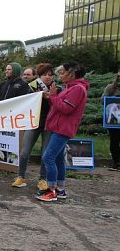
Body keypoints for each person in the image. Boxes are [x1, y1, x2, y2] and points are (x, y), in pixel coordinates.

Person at [36, 62, 90, 202]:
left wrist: (53, 97)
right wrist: (51, 97)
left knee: (48, 157)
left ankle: (51, 190)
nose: (60, 75)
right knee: (59, 159)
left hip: (63, 128)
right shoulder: (70, 88)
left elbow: (66, 109)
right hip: (58, 127)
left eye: (62, 72)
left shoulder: (77, 89)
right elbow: (60, 104)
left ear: (71, 73)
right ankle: (60, 189)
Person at [12, 63, 55, 189]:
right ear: (39, 76)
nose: (47, 77)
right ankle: (20, 176)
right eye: (44, 75)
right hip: (33, 122)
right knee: (24, 152)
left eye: (50, 75)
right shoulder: (31, 87)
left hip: (49, 124)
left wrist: (51, 98)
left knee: (45, 153)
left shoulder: (56, 88)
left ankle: (43, 179)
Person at [104, 69, 120, 171]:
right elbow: (102, 100)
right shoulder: (110, 87)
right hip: (113, 121)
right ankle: (116, 163)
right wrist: (112, 98)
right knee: (114, 142)